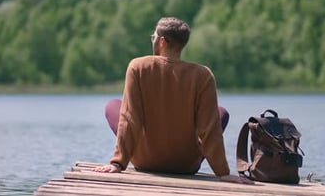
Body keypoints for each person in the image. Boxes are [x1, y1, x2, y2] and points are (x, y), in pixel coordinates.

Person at [94, 17, 248, 184]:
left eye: (153, 37)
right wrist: (223, 172)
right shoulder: (203, 75)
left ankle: (126, 155)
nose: (152, 40)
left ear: (161, 41)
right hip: (185, 164)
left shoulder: (138, 67)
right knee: (220, 113)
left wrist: (118, 163)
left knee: (113, 106)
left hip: (145, 161)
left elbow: (130, 119)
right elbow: (209, 129)